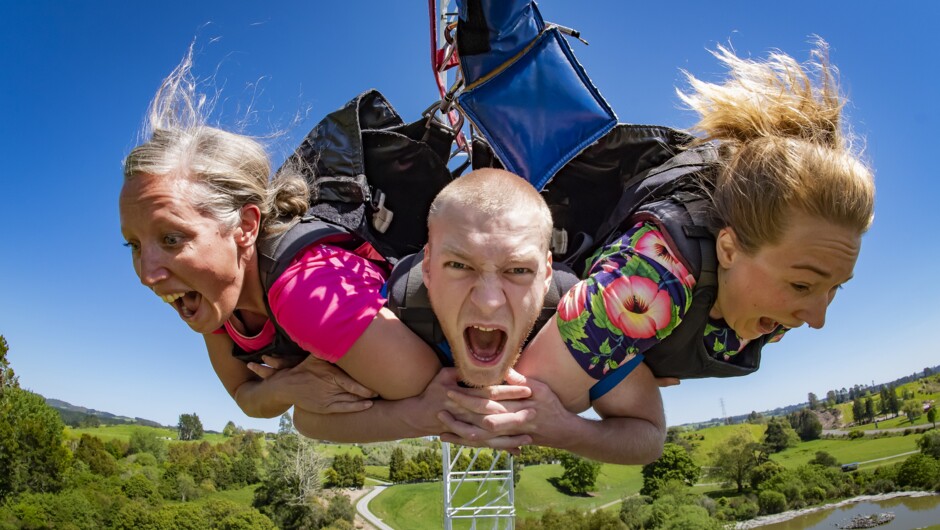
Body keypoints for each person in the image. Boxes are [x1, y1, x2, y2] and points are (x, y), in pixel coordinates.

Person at [438, 41, 875, 444]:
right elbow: (505, 409)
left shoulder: (772, 305)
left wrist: (628, 372)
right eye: (802, 286)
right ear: (729, 249)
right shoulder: (653, 277)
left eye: (835, 287)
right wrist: (588, 405)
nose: (817, 318)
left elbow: (644, 434)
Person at [119, 50, 441, 423]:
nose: (146, 274)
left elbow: (425, 387)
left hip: (460, 357)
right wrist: (290, 387)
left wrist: (303, 397)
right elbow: (245, 396)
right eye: (135, 245)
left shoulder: (303, 294)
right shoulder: (215, 300)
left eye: (172, 239)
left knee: (308, 421)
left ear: (246, 227)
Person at [291, 167, 667, 465]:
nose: (488, 302)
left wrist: (562, 428)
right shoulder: (397, 306)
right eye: (459, 265)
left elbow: (648, 437)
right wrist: (419, 415)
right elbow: (307, 418)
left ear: (547, 273)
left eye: (518, 271)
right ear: (429, 267)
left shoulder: (575, 317)